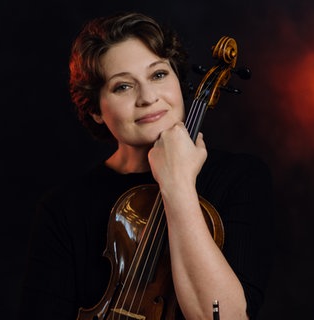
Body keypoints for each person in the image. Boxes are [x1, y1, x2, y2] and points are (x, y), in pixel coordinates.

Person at [19, 12, 273, 320]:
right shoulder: (63, 209)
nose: (148, 97)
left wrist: (177, 185)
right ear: (96, 109)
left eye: (158, 75)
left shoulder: (240, 178)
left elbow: (226, 317)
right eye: (123, 86)